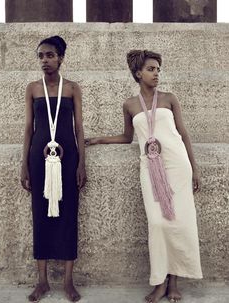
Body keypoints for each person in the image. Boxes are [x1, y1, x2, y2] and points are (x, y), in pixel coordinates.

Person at [85, 50, 202, 303]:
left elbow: (183, 133)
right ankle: (158, 282)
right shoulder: (130, 104)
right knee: (158, 224)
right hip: (150, 168)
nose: (156, 73)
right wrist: (98, 139)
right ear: (138, 73)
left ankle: (173, 282)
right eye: (151, 69)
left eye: (158, 69)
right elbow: (127, 138)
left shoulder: (169, 99)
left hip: (177, 165)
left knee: (180, 223)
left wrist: (194, 168)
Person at [21, 35, 86, 302]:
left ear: (60, 58)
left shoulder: (72, 88)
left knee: (69, 213)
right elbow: (28, 128)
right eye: (41, 56)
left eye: (49, 55)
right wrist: (23, 164)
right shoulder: (32, 88)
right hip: (39, 157)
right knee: (41, 215)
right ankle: (43, 282)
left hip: (68, 156)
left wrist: (82, 162)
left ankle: (69, 282)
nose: (44, 60)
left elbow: (79, 128)